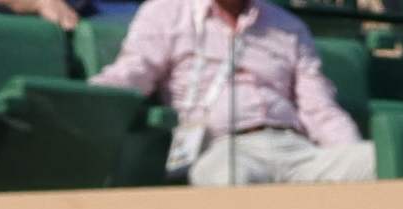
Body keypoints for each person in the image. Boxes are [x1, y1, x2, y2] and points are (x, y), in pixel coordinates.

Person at [93, 0, 366, 183]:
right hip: (220, 146)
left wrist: (349, 149)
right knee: (226, 175)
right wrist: (80, 101)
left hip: (296, 148)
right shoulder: (166, 11)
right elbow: (132, 74)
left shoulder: (288, 26)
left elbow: (320, 109)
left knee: (377, 163)